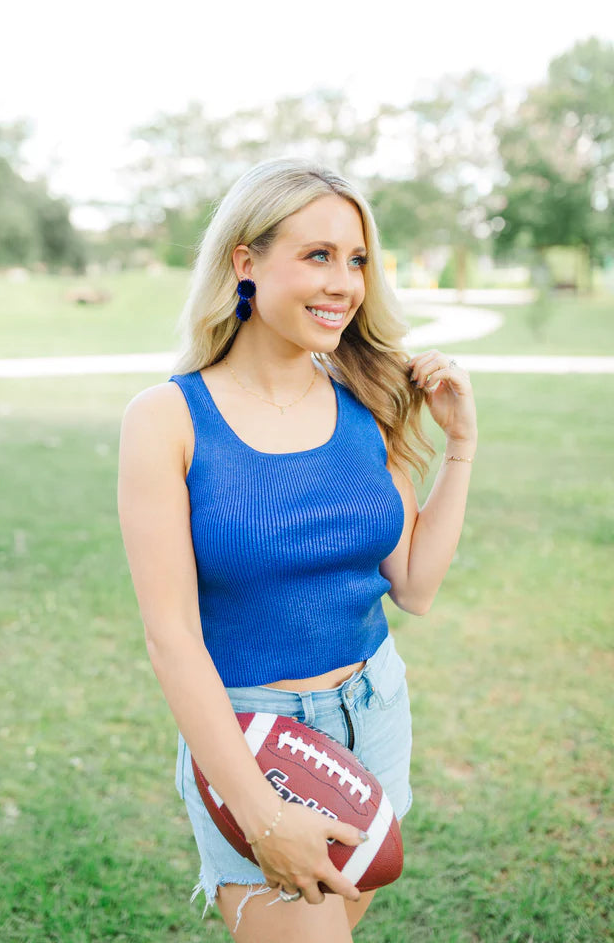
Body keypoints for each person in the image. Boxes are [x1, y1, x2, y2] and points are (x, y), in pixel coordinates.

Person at [117, 157, 478, 942]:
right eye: (317, 256)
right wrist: (257, 807)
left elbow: (413, 585)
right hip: (257, 742)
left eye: (355, 260)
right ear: (245, 262)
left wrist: (460, 450)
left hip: (373, 715)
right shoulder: (168, 418)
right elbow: (171, 638)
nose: (344, 283)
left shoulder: (367, 399)